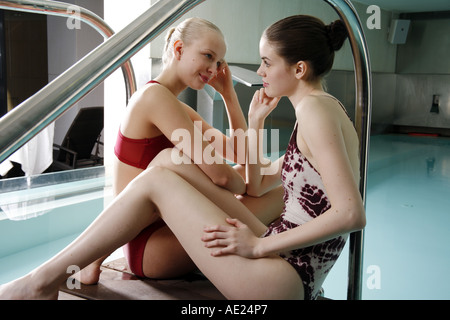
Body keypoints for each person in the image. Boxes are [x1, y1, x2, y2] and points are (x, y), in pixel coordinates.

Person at [0, 15, 365, 300]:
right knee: (167, 166)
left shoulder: (315, 113)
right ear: (176, 49)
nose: (259, 71)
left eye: (267, 62)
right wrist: (253, 126)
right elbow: (245, 181)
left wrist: (258, 244)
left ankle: (42, 280)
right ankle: (62, 272)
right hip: (278, 263)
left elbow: (350, 213)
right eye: (208, 56)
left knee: (165, 167)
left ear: (298, 69)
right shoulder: (322, 109)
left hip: (287, 274)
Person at [79, 17, 284, 284]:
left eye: (219, 63)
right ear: (178, 49)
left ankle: (272, 254)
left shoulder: (175, 106)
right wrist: (243, 184)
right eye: (208, 56)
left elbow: (238, 154)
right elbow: (222, 177)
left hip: (170, 232)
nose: (213, 69)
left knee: (269, 183)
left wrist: (229, 97)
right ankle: (280, 262)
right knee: (282, 193)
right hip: (151, 248)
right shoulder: (155, 99)